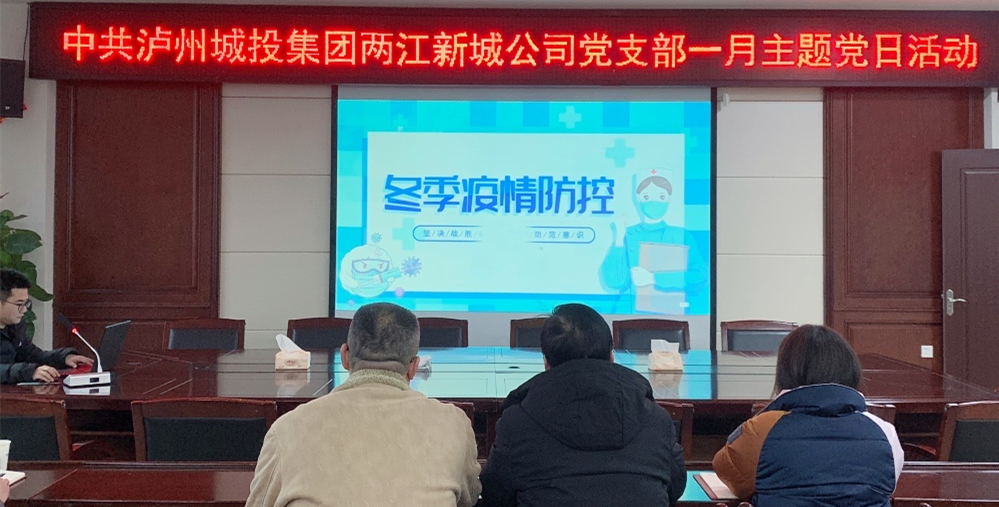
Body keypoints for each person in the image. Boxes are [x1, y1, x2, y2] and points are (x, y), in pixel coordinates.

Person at [246, 302, 480, 507]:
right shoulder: (453, 425)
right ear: (414, 367)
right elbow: (469, 499)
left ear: (345, 356)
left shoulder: (287, 429)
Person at [480, 303, 687, 507]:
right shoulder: (656, 419)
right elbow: (675, 486)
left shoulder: (516, 423)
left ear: (546, 363)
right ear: (612, 358)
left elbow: (494, 494)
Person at [712, 325, 903, 507]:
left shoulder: (763, 430)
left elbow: (727, 472)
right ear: (851, 371)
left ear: (787, 373)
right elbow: (886, 487)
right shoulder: (885, 432)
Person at [599, 173, 708, 313]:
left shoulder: (680, 235)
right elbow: (614, 281)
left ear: (669, 198)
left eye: (661, 197)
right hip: (628, 314)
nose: (654, 202)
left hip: (671, 314)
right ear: (638, 198)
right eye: (646, 197)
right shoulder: (628, 233)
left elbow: (699, 276)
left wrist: (653, 278)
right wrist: (619, 238)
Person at [1, 269, 93, 384]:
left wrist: (64, 358)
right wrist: (29, 372)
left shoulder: (15, 328)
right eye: (19, 304)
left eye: (26, 303)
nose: (24, 310)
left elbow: (33, 355)